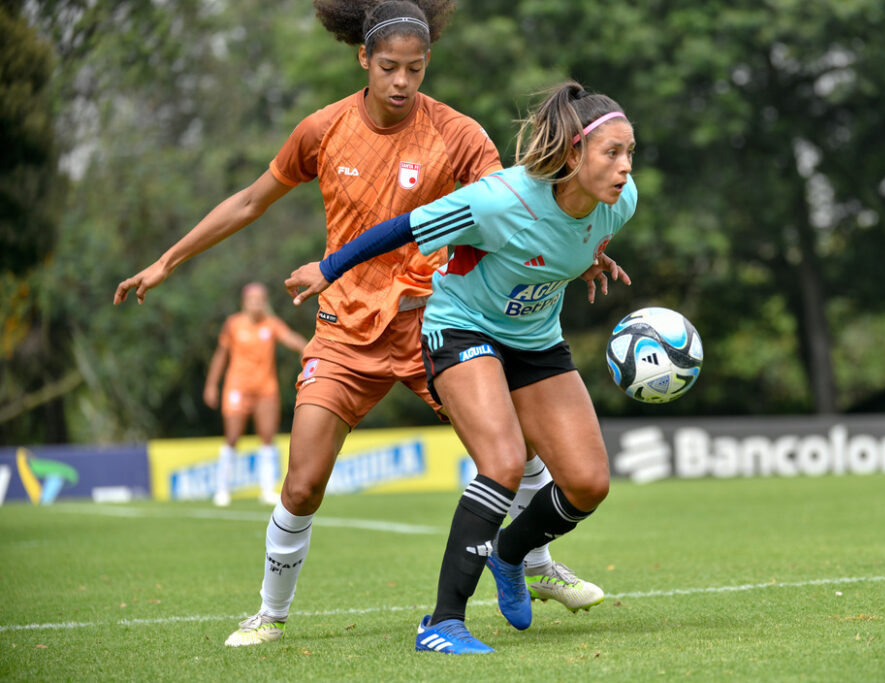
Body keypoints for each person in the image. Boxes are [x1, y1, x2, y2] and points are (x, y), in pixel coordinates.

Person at [113, 0, 608, 648]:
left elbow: (519, 208)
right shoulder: (322, 129)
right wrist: (166, 260)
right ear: (364, 60)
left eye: (417, 68)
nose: (403, 81)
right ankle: (270, 612)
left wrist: (586, 239)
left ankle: (534, 565)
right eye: (390, 67)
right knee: (303, 481)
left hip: (435, 322)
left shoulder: (458, 135)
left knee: (519, 449)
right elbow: (249, 199)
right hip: (344, 332)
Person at [286, 80, 637, 654]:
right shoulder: (501, 199)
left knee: (588, 484)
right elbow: (402, 228)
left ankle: (510, 555)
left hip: (535, 341)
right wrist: (330, 268)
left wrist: (586, 261)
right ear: (573, 154)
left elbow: (564, 242)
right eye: (612, 153)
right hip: (461, 328)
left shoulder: (620, 203)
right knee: (500, 464)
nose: (625, 168)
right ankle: (442, 623)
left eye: (629, 154)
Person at [204, 283, 307, 507]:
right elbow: (221, 355)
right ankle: (222, 490)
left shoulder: (271, 324)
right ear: (244, 302)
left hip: (265, 390)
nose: (256, 303)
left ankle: (267, 489)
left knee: (268, 438)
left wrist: (308, 350)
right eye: (253, 299)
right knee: (232, 437)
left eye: (260, 299)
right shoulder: (233, 324)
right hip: (237, 389)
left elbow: (292, 339)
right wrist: (212, 384)